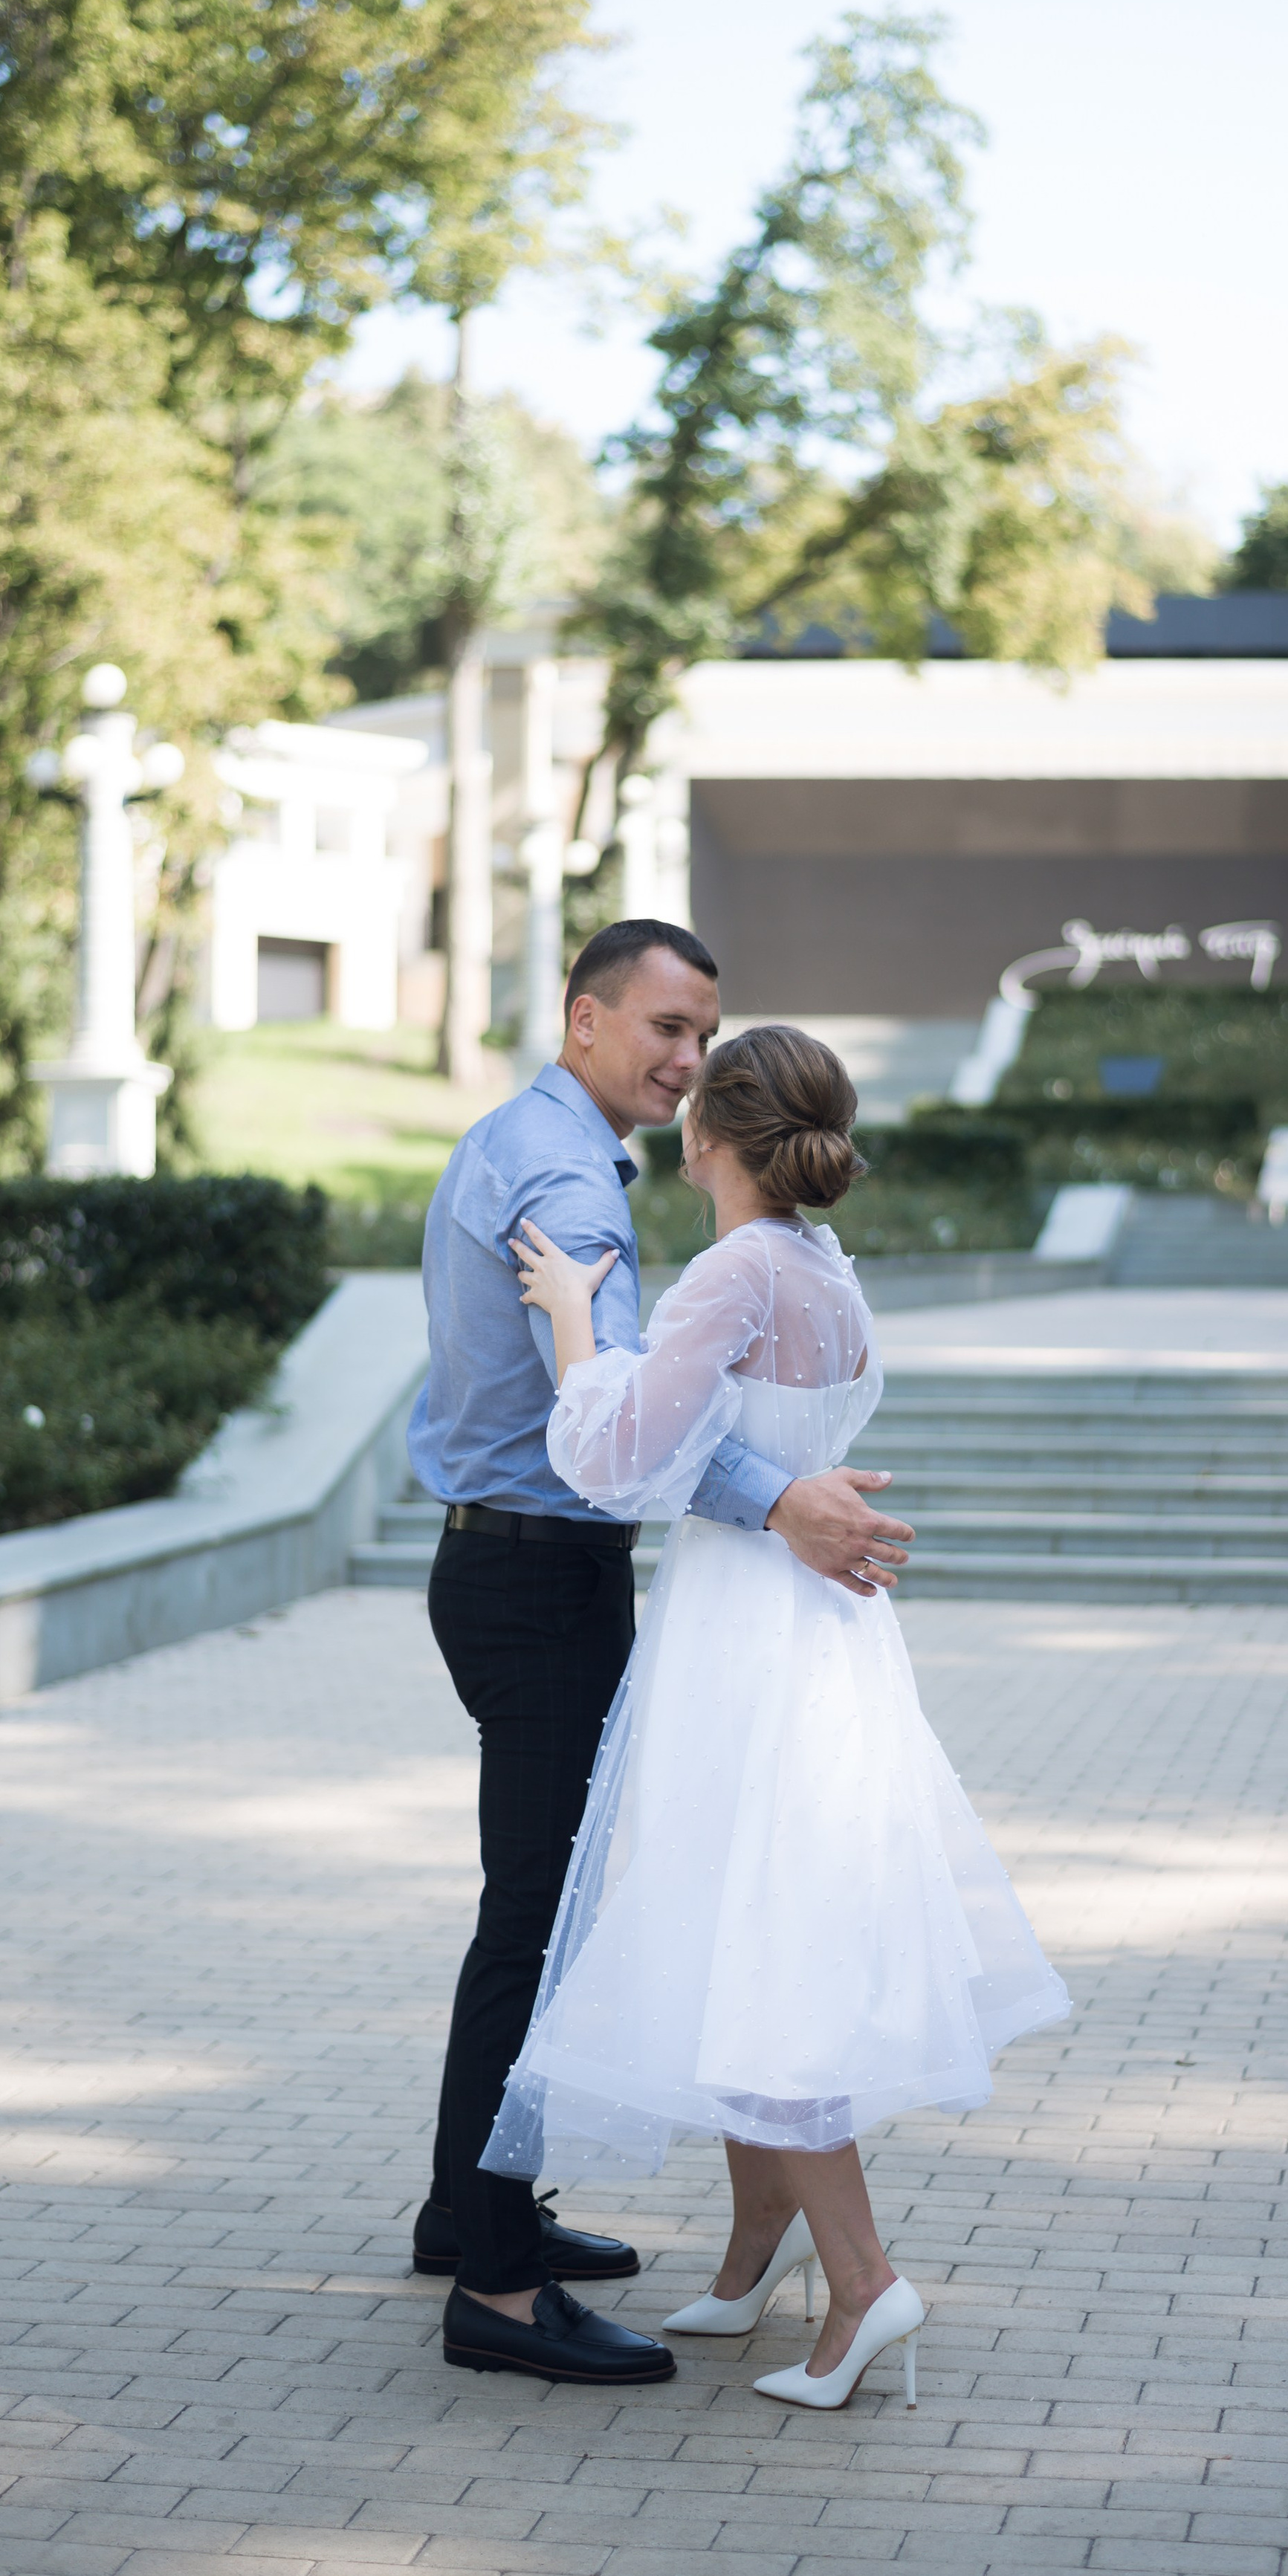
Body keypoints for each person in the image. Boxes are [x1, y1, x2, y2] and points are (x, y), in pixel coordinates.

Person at [485, 1023, 1069, 2410]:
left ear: (707, 1135)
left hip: (747, 1637)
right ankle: (757, 2250)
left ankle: (863, 2282)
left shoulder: (737, 1268)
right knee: (743, 1925)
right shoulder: (823, 1267)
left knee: (765, 1949)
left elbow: (616, 1457)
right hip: (818, 1632)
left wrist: (572, 1321)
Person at [409, 922, 919, 2390]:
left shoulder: (526, 1138)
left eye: (705, 1034)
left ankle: (473, 2213)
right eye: (663, 1027)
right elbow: (627, 1434)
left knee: (543, 1910)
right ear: (584, 1018)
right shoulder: (576, 1183)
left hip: (518, 1563)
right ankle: (497, 2287)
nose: (686, 1059)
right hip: (538, 1574)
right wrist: (779, 1498)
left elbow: (640, 1409)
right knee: (537, 1923)